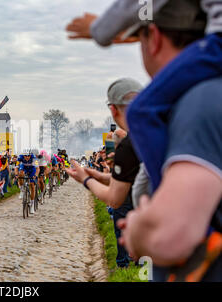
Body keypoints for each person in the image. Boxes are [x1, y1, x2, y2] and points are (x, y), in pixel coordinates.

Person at [110, 2, 222, 281]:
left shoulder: (198, 104)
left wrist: (140, 229)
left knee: (140, 112)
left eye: (140, 38)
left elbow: (170, 235)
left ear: (154, 38)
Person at [66, 78, 143, 268]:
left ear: (113, 110)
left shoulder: (127, 146)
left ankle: (126, 265)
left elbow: (114, 199)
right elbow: (131, 175)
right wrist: (99, 176)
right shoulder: (152, 131)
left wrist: (85, 180)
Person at [16, 150, 39, 215]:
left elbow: (37, 169)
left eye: (28, 156)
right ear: (23, 156)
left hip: (32, 169)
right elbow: (16, 168)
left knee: (32, 185)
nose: (27, 157)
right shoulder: (20, 157)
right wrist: (16, 175)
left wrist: (35, 175)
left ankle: (32, 204)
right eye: (25, 156)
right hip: (24, 168)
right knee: (20, 174)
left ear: (30, 155)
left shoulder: (34, 158)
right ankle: (22, 190)